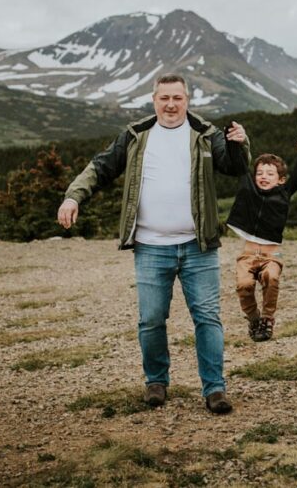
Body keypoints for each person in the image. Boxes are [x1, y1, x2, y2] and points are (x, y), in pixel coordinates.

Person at [56, 73, 250, 414]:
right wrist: (73, 197)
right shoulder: (136, 135)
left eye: (177, 98)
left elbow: (234, 167)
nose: (171, 104)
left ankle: (215, 389)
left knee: (207, 318)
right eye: (165, 98)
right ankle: (156, 382)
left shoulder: (206, 134)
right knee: (151, 319)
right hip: (150, 246)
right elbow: (101, 167)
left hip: (198, 245)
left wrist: (239, 143)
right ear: (154, 100)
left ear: (187, 100)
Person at [226, 134, 297, 342]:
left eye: (270, 173)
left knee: (271, 278)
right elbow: (239, 165)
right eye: (260, 173)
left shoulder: (284, 193)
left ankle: (267, 318)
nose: (263, 176)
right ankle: (254, 318)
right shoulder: (249, 189)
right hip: (248, 255)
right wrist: (232, 139)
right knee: (244, 286)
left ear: (281, 179)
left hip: (271, 255)